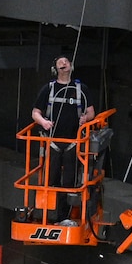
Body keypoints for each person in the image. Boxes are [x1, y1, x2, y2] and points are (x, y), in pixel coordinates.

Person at [30, 55, 91, 210]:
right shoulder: (49, 89)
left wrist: (85, 118)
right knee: (51, 179)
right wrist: (44, 122)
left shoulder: (80, 89)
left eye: (66, 61)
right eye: (60, 62)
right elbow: (35, 112)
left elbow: (91, 112)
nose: (64, 63)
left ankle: (65, 214)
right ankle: (50, 212)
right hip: (53, 142)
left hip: (73, 142)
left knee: (69, 181)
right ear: (55, 69)